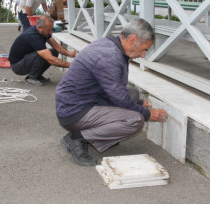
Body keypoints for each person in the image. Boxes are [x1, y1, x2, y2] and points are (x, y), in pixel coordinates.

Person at [55, 18, 168, 166]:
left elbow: (112, 89)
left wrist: (138, 103)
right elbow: (118, 96)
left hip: (83, 100)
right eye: (144, 50)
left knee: (133, 95)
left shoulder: (110, 45)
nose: (143, 56)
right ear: (133, 39)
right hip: (74, 111)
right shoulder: (110, 57)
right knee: (136, 120)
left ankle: (103, 135)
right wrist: (147, 114)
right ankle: (76, 138)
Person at [9, 15, 76, 86]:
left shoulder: (43, 32)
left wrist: (69, 54)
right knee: (42, 55)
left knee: (54, 51)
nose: (51, 32)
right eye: (49, 30)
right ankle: (31, 78)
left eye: (51, 29)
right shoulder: (33, 36)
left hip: (26, 60)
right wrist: (71, 65)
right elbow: (51, 60)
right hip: (17, 66)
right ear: (39, 27)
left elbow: (56, 46)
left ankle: (37, 75)